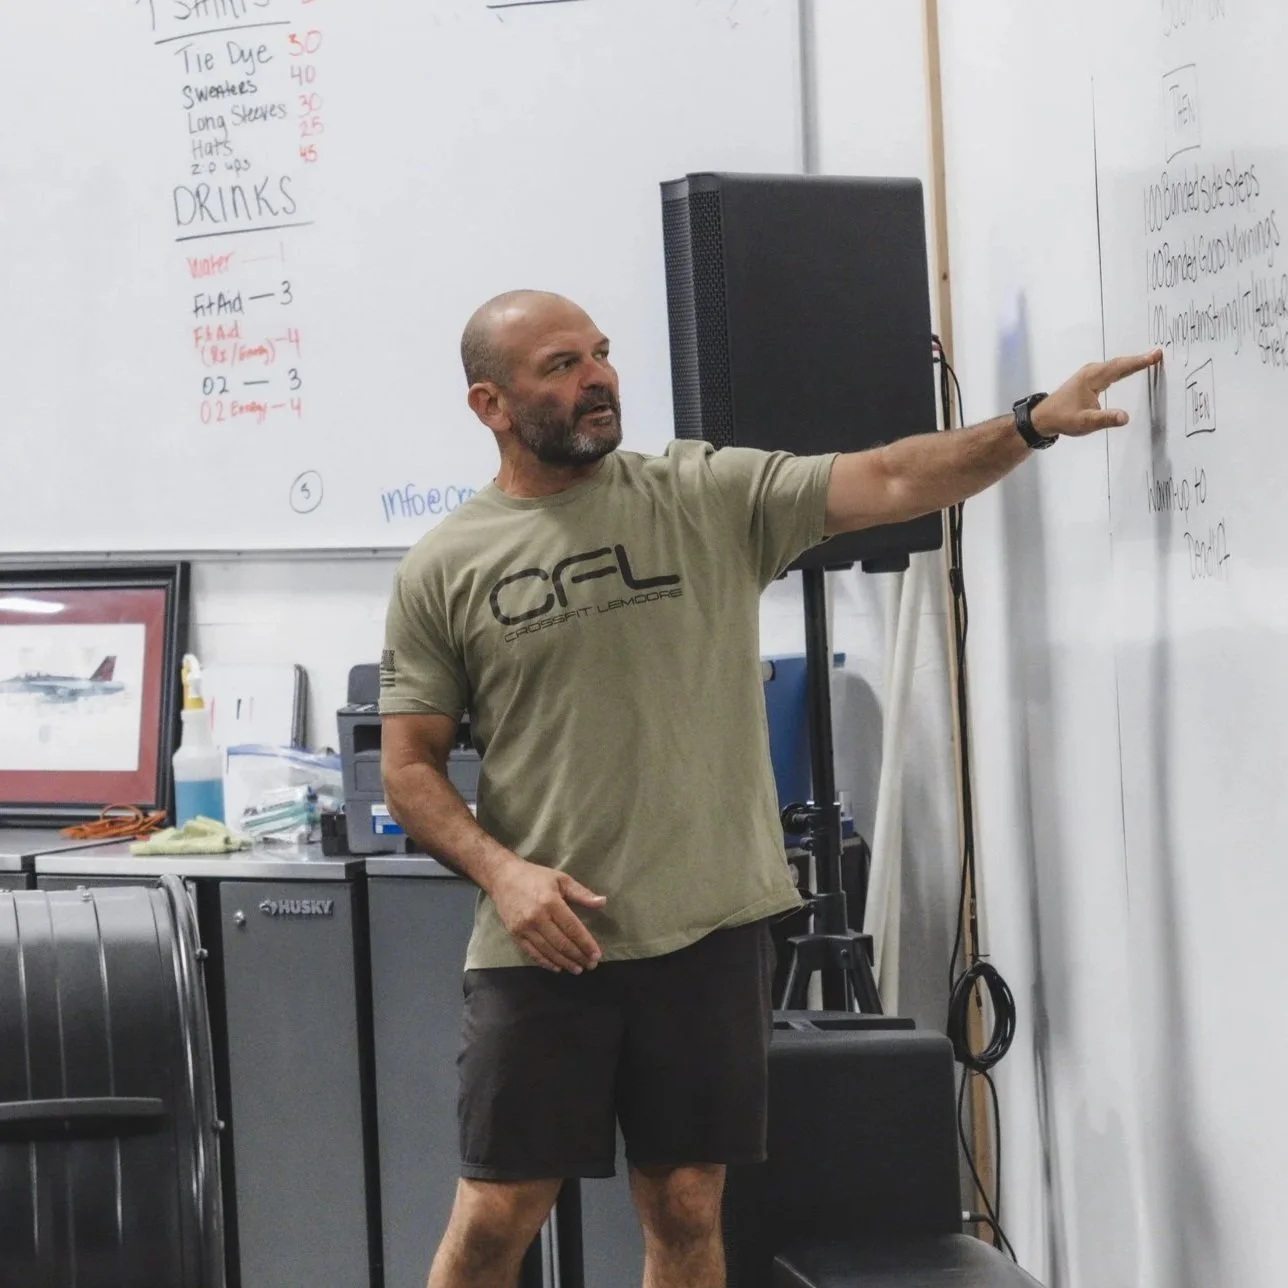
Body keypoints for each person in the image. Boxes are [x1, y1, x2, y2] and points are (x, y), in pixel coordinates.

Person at [379, 289, 1161, 1288]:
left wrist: (1028, 423)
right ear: (490, 404)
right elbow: (408, 769)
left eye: (601, 353)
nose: (598, 378)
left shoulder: (702, 493)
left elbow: (890, 477)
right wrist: (504, 874)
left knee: (685, 1202)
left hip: (706, 928)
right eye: (561, 365)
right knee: (497, 1217)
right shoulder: (445, 564)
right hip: (547, 938)